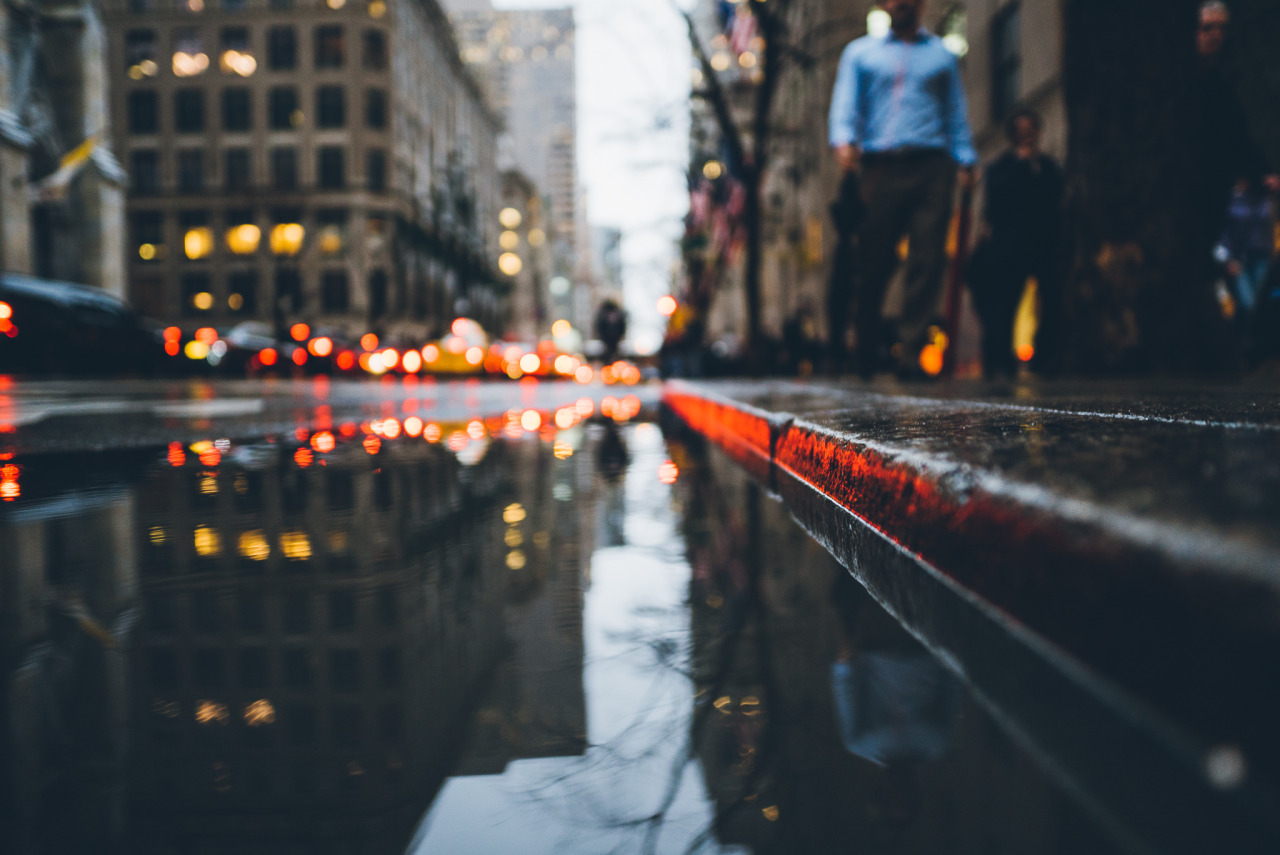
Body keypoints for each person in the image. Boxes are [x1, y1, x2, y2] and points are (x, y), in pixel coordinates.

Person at [829, 0, 977, 380]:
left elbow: (955, 112)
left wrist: (966, 158)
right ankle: (864, 348)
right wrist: (844, 141)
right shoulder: (860, 53)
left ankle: (912, 353)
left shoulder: (943, 55)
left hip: (932, 165)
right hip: (880, 166)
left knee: (927, 259)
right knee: (873, 263)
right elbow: (846, 103)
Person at [969, 108, 1064, 378]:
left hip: (1044, 245)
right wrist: (1022, 164)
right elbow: (995, 201)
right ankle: (1000, 361)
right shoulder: (1001, 167)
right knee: (1004, 306)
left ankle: (1045, 358)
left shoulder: (1048, 167)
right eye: (1023, 131)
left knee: (1051, 302)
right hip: (1010, 248)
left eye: (1032, 130)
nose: (1028, 136)